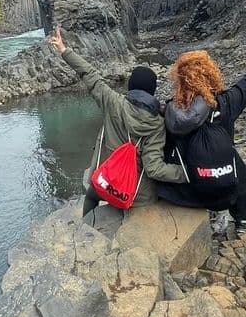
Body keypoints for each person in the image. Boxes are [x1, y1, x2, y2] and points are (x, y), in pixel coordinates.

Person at [156, 16, 246, 236]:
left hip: (188, 193)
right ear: (211, 75)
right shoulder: (227, 103)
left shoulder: (171, 111)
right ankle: (241, 219)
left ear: (180, 79)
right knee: (230, 158)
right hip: (224, 187)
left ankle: (214, 214)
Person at [47, 25, 188, 216]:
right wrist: (186, 173)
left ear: (131, 87)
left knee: (91, 195)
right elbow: (154, 169)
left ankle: (88, 227)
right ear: (152, 92)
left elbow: (89, 74)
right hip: (137, 195)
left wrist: (64, 50)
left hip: (106, 183)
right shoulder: (158, 124)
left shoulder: (113, 102)